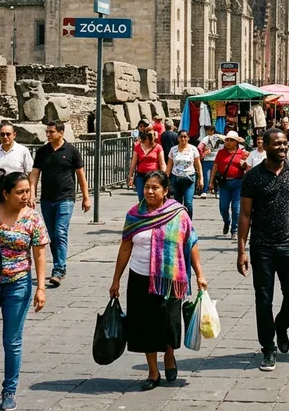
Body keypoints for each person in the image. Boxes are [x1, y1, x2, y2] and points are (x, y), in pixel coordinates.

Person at [109, 170, 206, 391]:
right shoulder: (134, 214)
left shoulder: (178, 213)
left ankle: (169, 353)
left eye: (155, 187)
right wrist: (116, 280)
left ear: (165, 191)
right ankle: (153, 371)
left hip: (169, 280)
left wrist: (200, 274)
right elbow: (125, 247)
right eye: (147, 187)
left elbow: (191, 243)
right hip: (139, 277)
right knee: (144, 326)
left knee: (168, 324)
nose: (150, 191)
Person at [237, 128, 289, 372]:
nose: (282, 147)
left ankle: (281, 325)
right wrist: (241, 249)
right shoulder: (253, 177)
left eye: (285, 143)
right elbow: (245, 213)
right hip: (262, 246)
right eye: (277, 144)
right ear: (266, 146)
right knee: (263, 299)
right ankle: (268, 348)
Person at [0, 172, 48, 411]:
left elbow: (40, 254)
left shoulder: (33, 218)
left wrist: (41, 287)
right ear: (6, 193)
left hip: (19, 284)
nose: (26, 196)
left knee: (12, 341)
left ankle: (9, 391)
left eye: (28, 191)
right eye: (20, 192)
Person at [29, 121, 91, 288]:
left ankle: (59, 269)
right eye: (47, 132)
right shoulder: (42, 152)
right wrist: (32, 193)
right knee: (51, 235)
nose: (48, 135)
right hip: (47, 199)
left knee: (60, 232)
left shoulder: (72, 151)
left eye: (51, 132)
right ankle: (59, 265)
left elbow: (81, 176)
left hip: (66, 198)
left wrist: (86, 197)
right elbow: (34, 174)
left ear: (61, 133)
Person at [210, 131, 248, 238]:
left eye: (231, 140)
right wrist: (211, 182)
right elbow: (215, 167)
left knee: (236, 208)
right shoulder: (221, 153)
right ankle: (227, 221)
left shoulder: (242, 153)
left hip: (238, 183)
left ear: (236, 142)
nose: (228, 142)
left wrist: (244, 165)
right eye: (227, 140)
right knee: (223, 207)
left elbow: (249, 167)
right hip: (224, 183)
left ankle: (234, 229)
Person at [166, 130, 203, 219]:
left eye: (185, 137)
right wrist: (165, 180)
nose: (183, 139)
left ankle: (188, 221)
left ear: (188, 138)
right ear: (178, 138)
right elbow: (169, 166)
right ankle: (178, 222)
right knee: (177, 203)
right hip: (176, 178)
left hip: (189, 178)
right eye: (181, 137)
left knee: (188, 203)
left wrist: (201, 178)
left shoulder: (193, 149)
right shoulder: (173, 150)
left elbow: (198, 164)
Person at [127, 130, 167, 202]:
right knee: (141, 197)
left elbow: (162, 163)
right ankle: (143, 212)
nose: (148, 138)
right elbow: (133, 162)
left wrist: (163, 176)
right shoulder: (138, 147)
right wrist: (130, 176)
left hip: (153, 176)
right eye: (146, 136)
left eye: (150, 135)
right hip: (141, 175)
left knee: (153, 196)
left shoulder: (158, 147)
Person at [198, 126, 222, 199]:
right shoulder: (220, 137)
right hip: (216, 160)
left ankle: (205, 192)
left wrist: (202, 155)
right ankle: (216, 192)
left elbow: (199, 147)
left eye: (209, 130)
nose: (209, 132)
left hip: (208, 160)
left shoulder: (206, 138)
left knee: (207, 176)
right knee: (215, 177)